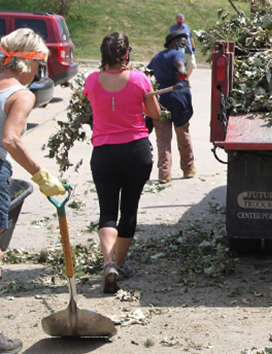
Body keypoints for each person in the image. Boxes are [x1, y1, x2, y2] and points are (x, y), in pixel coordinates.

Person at [0, 28, 66, 354]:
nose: (38, 73)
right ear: (28, 62)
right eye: (40, 66)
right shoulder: (21, 95)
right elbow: (10, 140)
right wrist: (40, 176)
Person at [83, 32, 161, 293]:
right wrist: (146, 95)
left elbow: (94, 104)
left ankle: (108, 263)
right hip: (135, 151)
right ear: (127, 53)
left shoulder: (92, 81)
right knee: (128, 209)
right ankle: (121, 262)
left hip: (104, 152)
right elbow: (155, 114)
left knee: (107, 211)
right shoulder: (140, 78)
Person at [147, 31, 195, 185]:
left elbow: (148, 74)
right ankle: (188, 168)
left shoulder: (157, 57)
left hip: (160, 99)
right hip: (177, 98)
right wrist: (183, 77)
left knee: (163, 138)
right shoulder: (176, 55)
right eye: (182, 42)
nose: (184, 45)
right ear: (173, 43)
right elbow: (181, 70)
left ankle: (164, 174)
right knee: (183, 132)